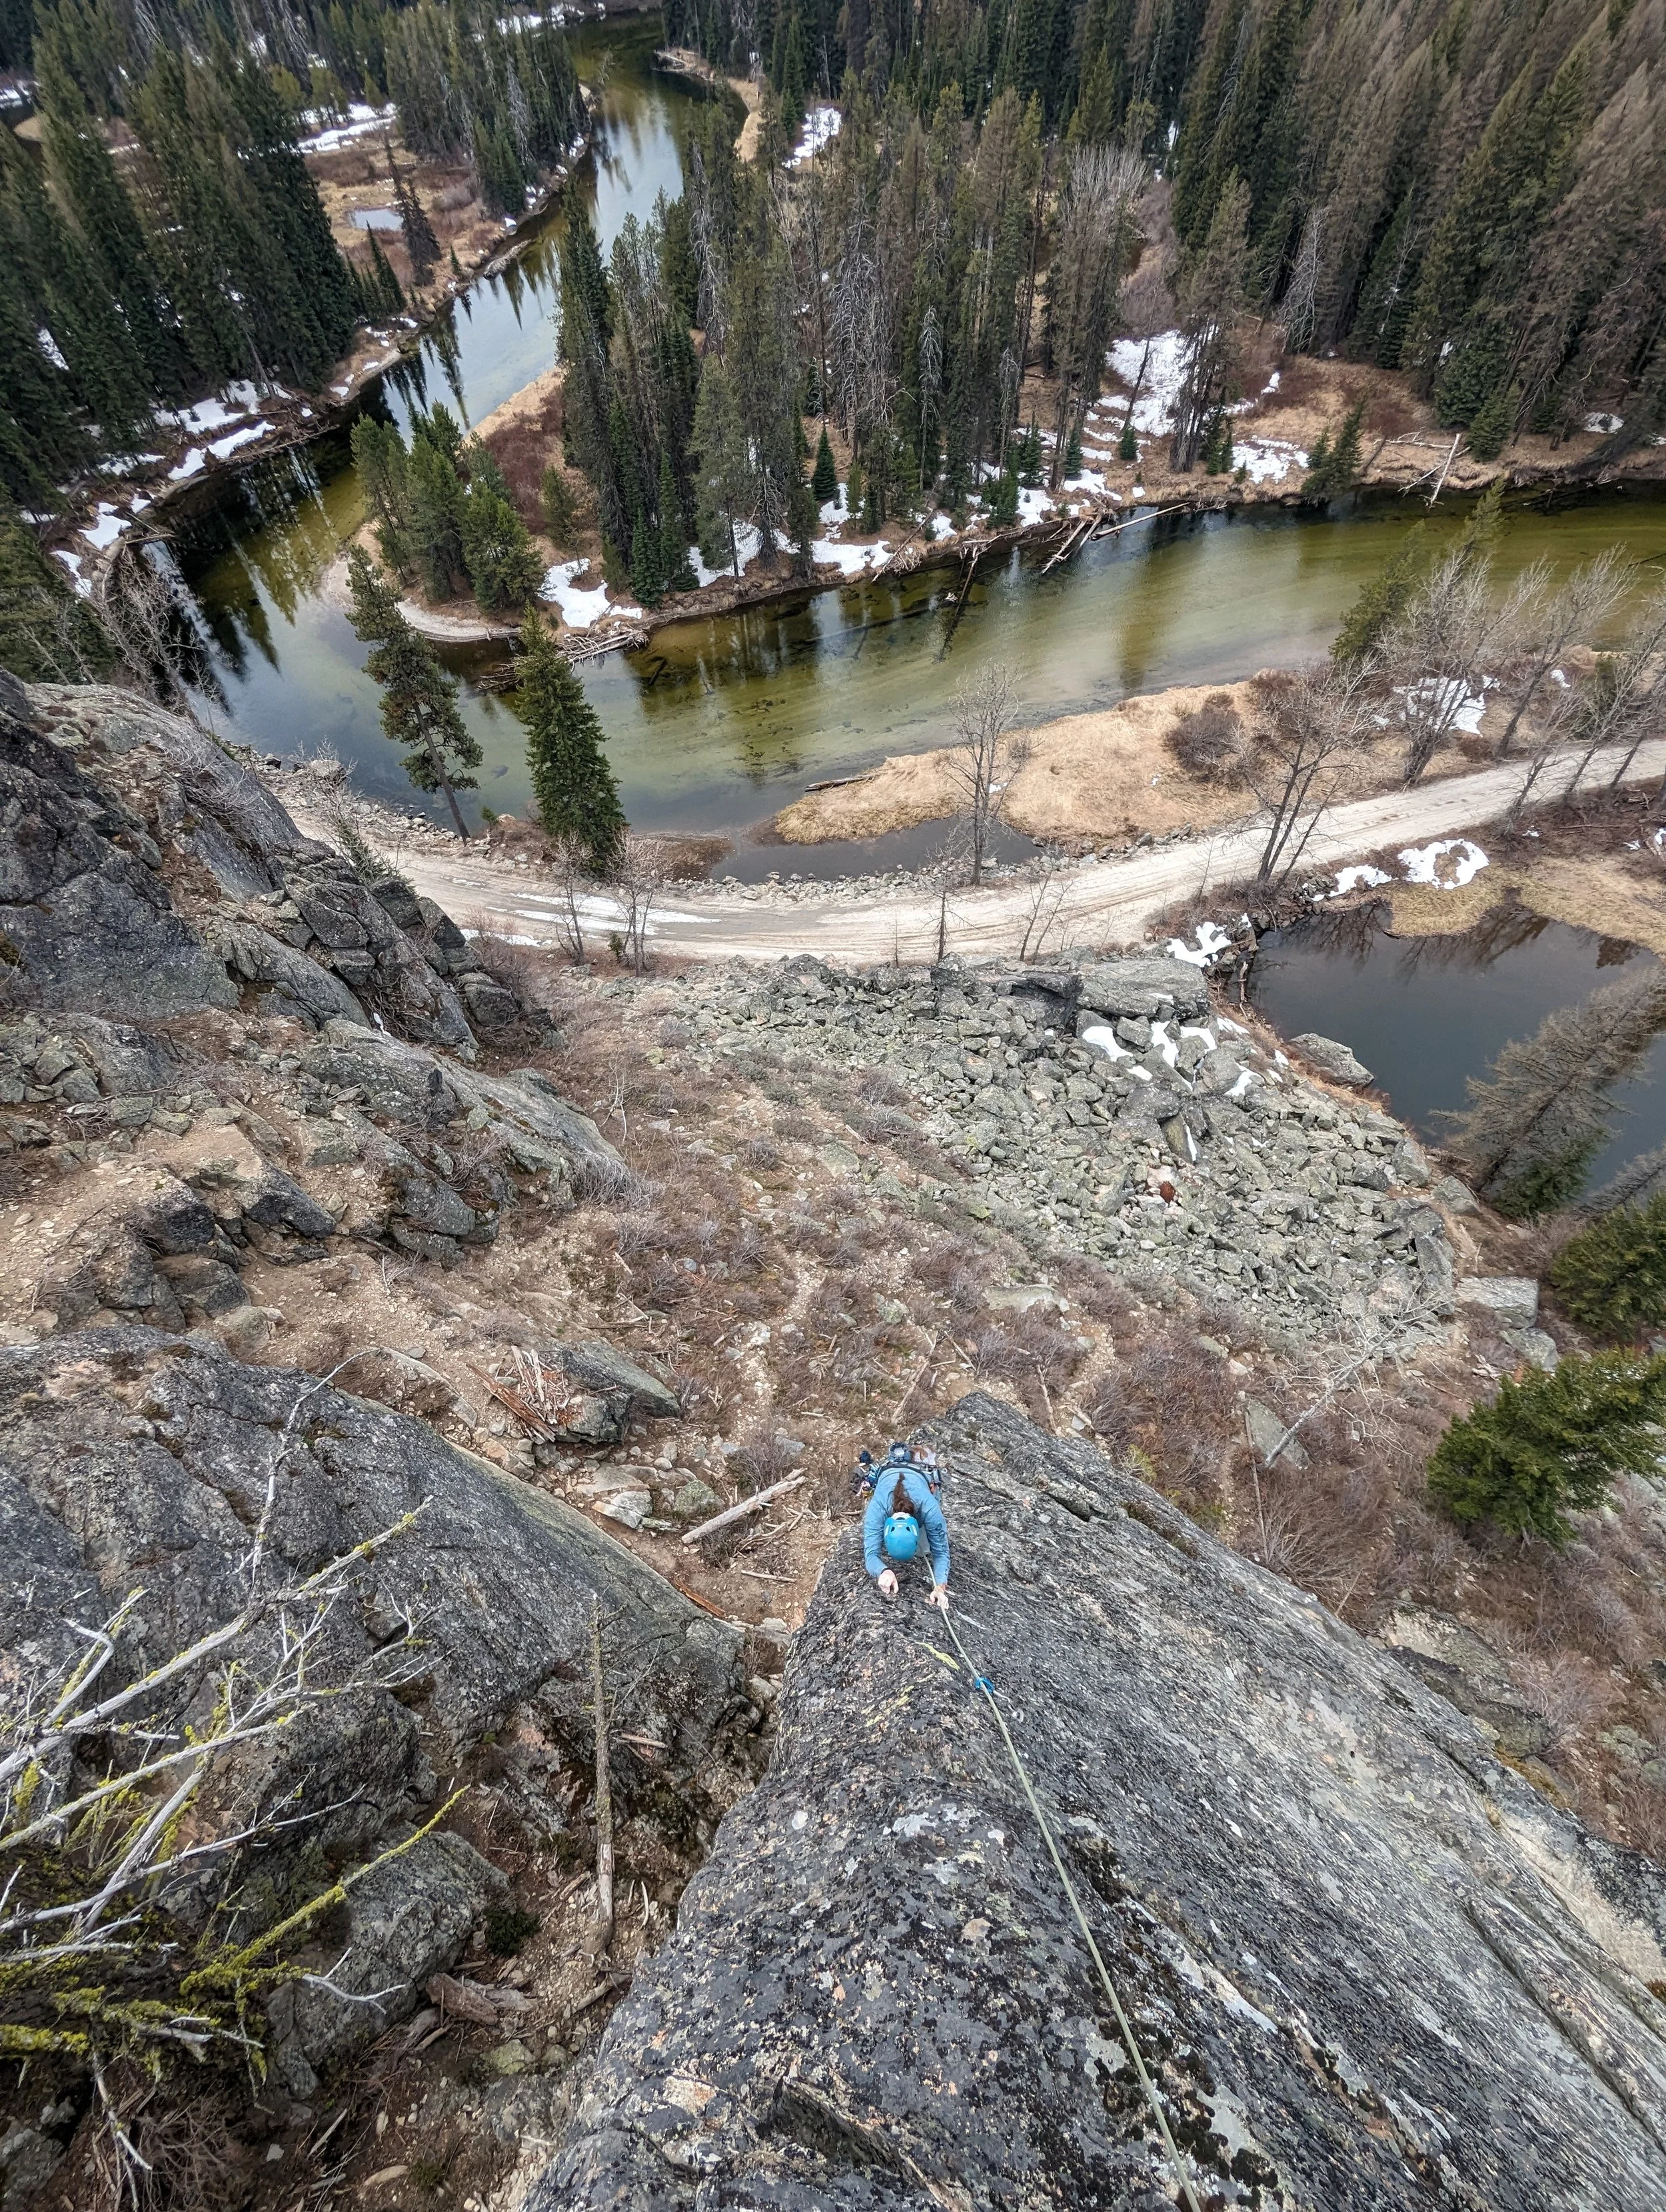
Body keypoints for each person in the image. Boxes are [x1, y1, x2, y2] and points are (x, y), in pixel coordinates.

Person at [862, 1440, 950, 1612]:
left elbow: (941, 1552)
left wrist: (940, 1587)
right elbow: (871, 1555)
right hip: (890, 1479)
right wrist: (883, 1571)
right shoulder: (877, 1509)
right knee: (924, 1548)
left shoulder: (929, 1508)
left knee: (925, 1550)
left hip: (921, 1482)